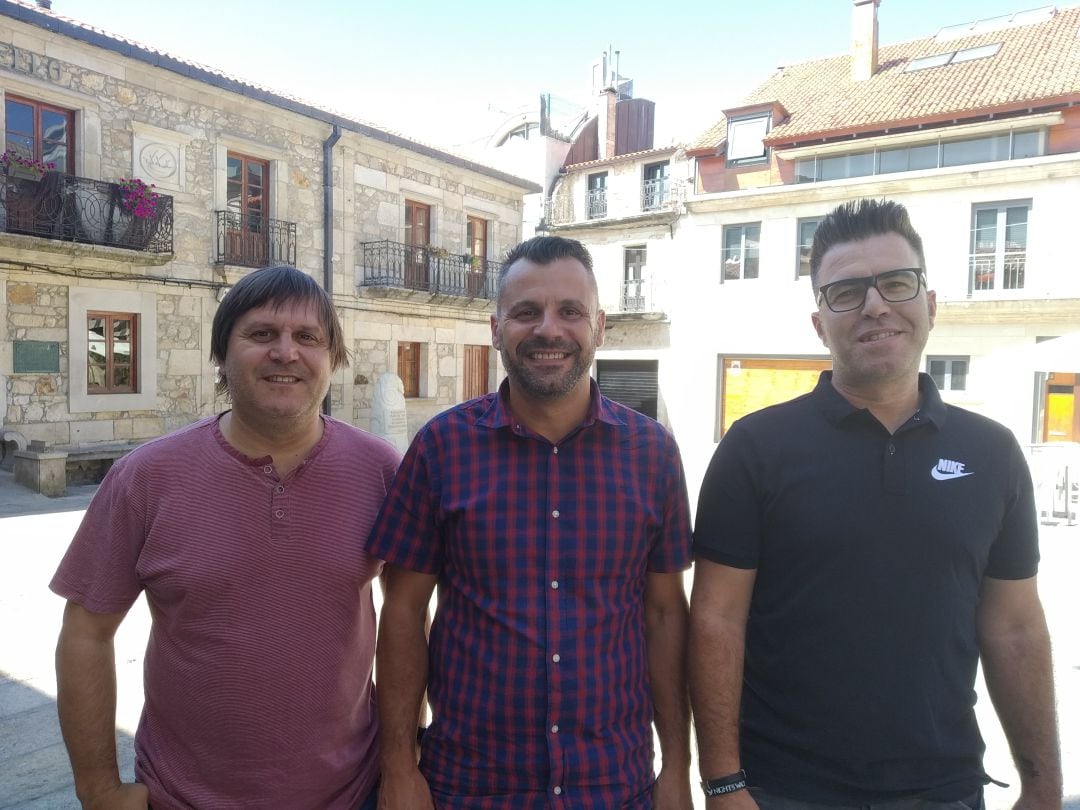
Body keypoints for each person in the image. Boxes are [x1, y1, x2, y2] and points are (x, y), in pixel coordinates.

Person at [689, 198, 1062, 810]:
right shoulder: (755, 448)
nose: (874, 305)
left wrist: (1044, 785)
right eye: (846, 292)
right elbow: (715, 622)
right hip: (782, 790)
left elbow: (1016, 627)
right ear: (819, 324)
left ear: (931, 304)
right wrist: (724, 784)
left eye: (896, 283)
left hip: (944, 790)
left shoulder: (992, 454)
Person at [51, 265, 401, 809]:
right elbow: (85, 633)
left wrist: (402, 766)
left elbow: (409, 617)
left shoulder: (381, 470)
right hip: (181, 798)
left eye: (307, 337)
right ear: (221, 353)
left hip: (353, 794)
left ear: (332, 358)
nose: (286, 352)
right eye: (262, 334)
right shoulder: (147, 477)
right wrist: (97, 789)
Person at [367, 235, 694, 809]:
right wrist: (398, 766)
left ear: (600, 325)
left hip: (613, 787)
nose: (549, 329)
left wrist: (677, 769)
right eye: (526, 312)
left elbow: (666, 614)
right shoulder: (442, 448)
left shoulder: (653, 453)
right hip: (470, 785)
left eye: (570, 311)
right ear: (496, 328)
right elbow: (402, 610)